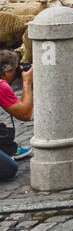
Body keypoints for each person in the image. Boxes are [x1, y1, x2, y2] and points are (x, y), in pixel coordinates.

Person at [0, 49, 33, 179]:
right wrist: (27, 82)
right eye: (15, 70)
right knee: (9, 168)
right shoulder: (1, 86)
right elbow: (25, 114)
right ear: (7, 72)